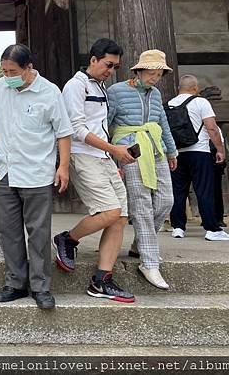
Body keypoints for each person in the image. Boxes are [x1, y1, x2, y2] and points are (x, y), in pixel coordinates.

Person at [0, 44, 73, 309]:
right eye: (4, 71)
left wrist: (62, 167)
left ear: (28, 67)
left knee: (38, 232)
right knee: (7, 231)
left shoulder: (49, 92)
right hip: (6, 169)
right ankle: (15, 283)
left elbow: (64, 133)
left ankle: (41, 287)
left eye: (13, 71)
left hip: (37, 171)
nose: (8, 76)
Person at [55, 38, 135, 303]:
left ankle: (102, 280)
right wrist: (114, 149)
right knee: (108, 211)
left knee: (121, 217)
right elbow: (75, 129)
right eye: (108, 65)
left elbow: (100, 125)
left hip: (103, 157)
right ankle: (67, 239)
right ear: (93, 59)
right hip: (82, 156)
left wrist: (112, 156)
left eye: (115, 67)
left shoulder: (101, 87)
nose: (111, 71)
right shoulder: (74, 86)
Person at [107, 50, 178, 290]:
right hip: (130, 149)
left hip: (155, 146)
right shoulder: (116, 91)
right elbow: (105, 122)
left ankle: (140, 245)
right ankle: (149, 262)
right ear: (138, 71)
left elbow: (162, 122)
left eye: (159, 74)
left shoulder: (156, 94)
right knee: (141, 204)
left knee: (166, 201)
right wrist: (109, 154)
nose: (155, 77)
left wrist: (171, 151)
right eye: (151, 72)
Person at [168, 75, 229, 241]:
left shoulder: (169, 104)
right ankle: (212, 228)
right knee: (204, 190)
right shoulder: (201, 102)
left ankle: (178, 227)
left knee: (178, 191)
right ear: (195, 88)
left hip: (177, 153)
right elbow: (211, 128)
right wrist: (219, 149)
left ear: (179, 89)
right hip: (200, 152)